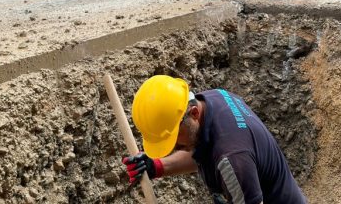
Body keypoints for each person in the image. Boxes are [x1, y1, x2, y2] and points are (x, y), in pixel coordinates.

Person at [123, 75, 307, 204]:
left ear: (193, 113)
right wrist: (156, 166)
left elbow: (225, 160)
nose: (174, 146)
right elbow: (208, 155)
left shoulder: (233, 158)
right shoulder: (214, 99)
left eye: (175, 137)